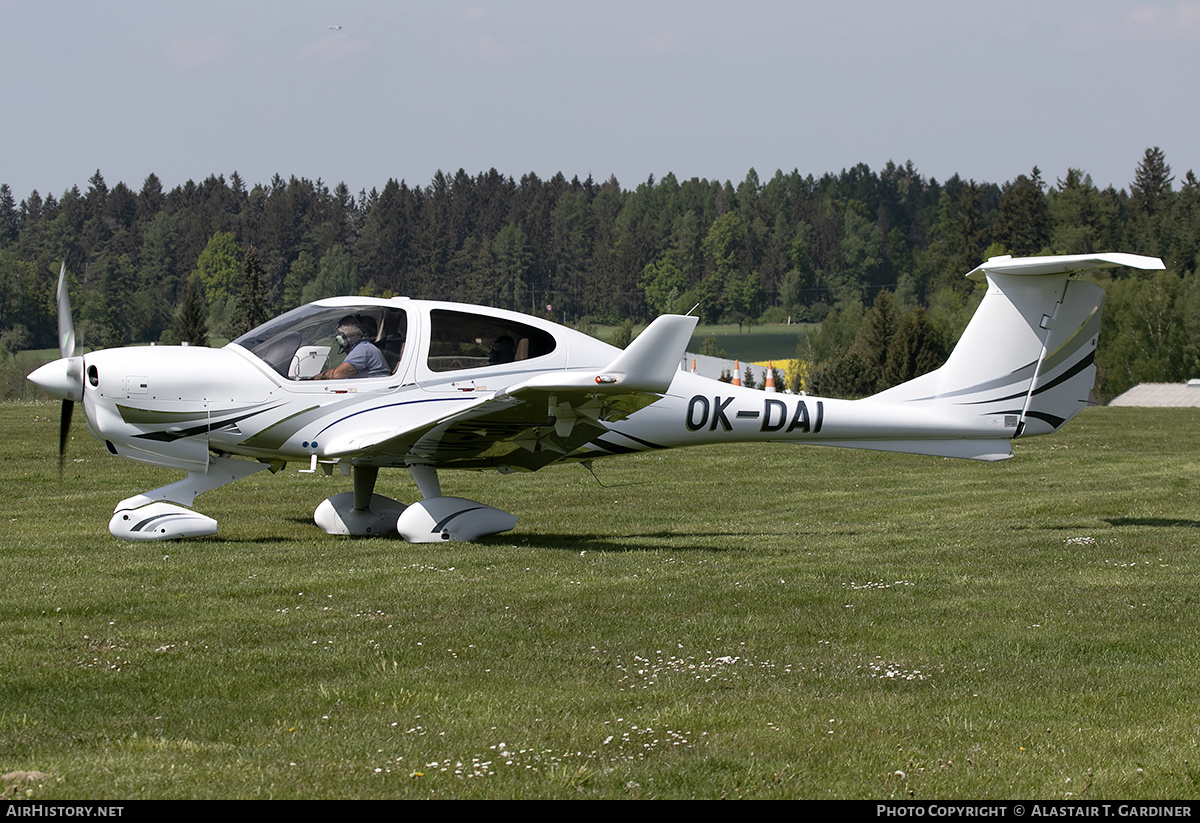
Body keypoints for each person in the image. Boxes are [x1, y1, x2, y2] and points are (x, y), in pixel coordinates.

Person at [315, 315, 390, 379]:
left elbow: (337, 374)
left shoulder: (362, 349)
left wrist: (315, 378)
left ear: (342, 339)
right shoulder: (364, 347)